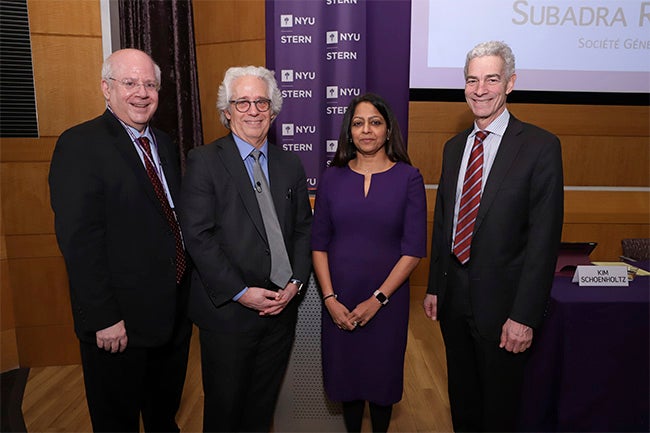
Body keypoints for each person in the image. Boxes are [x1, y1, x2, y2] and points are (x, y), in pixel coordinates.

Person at [423, 40, 564, 432]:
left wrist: (524, 316)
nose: (480, 89)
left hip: (505, 310)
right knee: (463, 405)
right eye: (472, 80)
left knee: (500, 412)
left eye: (491, 79)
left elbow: (544, 240)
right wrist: (436, 285)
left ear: (510, 83)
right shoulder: (454, 148)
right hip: (454, 300)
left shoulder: (540, 147)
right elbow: (445, 224)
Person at [48, 48, 191, 432]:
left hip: (171, 316)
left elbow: (169, 220)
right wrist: (104, 317)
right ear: (106, 89)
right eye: (129, 83)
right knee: (117, 423)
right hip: (119, 325)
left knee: (163, 417)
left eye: (149, 84)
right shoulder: (80, 145)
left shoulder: (163, 142)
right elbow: (79, 242)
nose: (141, 93)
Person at [179, 65, 312, 432]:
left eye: (261, 102)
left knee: (260, 409)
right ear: (226, 111)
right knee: (225, 412)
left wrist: (296, 283)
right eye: (242, 102)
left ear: (273, 110)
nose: (253, 110)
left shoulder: (289, 163)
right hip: (229, 314)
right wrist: (241, 292)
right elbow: (198, 236)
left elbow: (303, 228)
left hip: (281, 310)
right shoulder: (205, 161)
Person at [311, 93, 427, 433]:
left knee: (381, 384)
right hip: (339, 298)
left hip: (387, 301)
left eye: (375, 122)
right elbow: (318, 245)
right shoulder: (331, 178)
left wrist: (378, 300)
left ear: (388, 130)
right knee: (346, 381)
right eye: (358, 123)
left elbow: (413, 249)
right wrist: (330, 299)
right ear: (349, 132)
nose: (367, 130)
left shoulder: (409, 178)